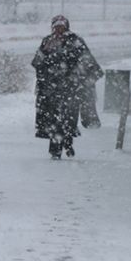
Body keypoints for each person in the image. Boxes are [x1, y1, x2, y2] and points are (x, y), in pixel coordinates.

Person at [31, 14, 97, 159]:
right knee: (54, 120)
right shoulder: (47, 41)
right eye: (56, 27)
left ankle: (67, 143)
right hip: (51, 91)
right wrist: (47, 73)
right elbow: (37, 62)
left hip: (70, 89)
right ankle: (56, 149)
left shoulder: (75, 41)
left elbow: (87, 62)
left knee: (69, 118)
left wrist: (75, 75)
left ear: (66, 27)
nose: (59, 30)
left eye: (62, 27)